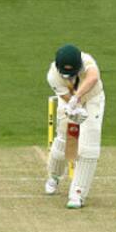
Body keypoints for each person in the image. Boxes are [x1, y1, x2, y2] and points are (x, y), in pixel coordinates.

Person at [44, 44, 106, 209]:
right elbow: (66, 97)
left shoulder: (87, 61)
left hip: (92, 99)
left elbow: (92, 78)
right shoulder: (52, 75)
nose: (70, 78)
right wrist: (74, 108)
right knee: (64, 140)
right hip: (69, 103)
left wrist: (77, 97)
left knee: (89, 147)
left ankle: (78, 193)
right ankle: (54, 176)